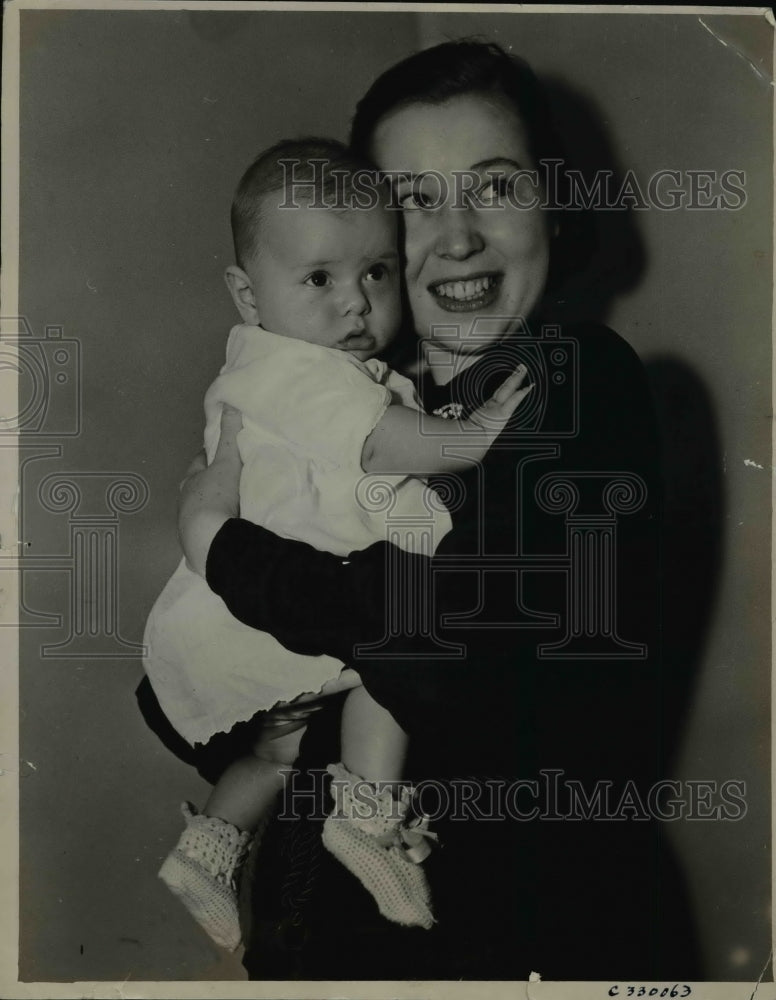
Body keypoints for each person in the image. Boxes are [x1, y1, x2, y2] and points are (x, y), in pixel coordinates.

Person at [142, 40, 701, 978]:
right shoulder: (346, 408)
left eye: (496, 187)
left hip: (522, 945)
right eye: (413, 201)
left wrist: (218, 544)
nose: (457, 237)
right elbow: (176, 708)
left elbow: (437, 643)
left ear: (554, 210)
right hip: (312, 948)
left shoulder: (573, 382)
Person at [143, 137, 533, 951]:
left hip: (253, 600)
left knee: (281, 748)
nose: (356, 303)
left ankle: (208, 848)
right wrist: (477, 435)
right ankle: (369, 815)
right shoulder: (291, 372)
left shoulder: (314, 367)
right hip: (260, 598)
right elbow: (387, 447)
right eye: (321, 279)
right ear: (248, 296)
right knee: (387, 663)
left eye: (376, 273)